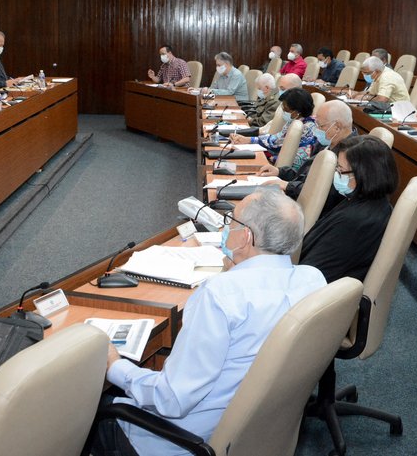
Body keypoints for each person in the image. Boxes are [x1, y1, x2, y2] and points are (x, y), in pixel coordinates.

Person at [99, 188, 326, 456]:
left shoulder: (220, 296)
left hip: (183, 441)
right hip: (257, 430)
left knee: (84, 408)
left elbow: (170, 399)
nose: (227, 227)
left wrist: (115, 366)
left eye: (232, 222)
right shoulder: (313, 280)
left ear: (246, 237)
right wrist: (239, 271)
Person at [299, 135, 399, 283]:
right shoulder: (368, 200)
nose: (336, 174)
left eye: (341, 170)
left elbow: (310, 276)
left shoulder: (354, 220)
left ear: (364, 175)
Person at [257, 99, 355, 212]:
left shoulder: (350, 156)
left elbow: (323, 194)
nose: (316, 130)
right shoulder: (326, 142)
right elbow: (305, 175)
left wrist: (289, 187)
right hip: (297, 198)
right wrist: (280, 172)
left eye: (320, 126)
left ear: (336, 127)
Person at [230, 87, 317, 168]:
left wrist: (271, 157)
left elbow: (279, 144)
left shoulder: (306, 128)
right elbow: (276, 138)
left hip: (288, 170)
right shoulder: (295, 120)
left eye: (286, 109)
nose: (283, 111)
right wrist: (248, 140)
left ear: (297, 111)